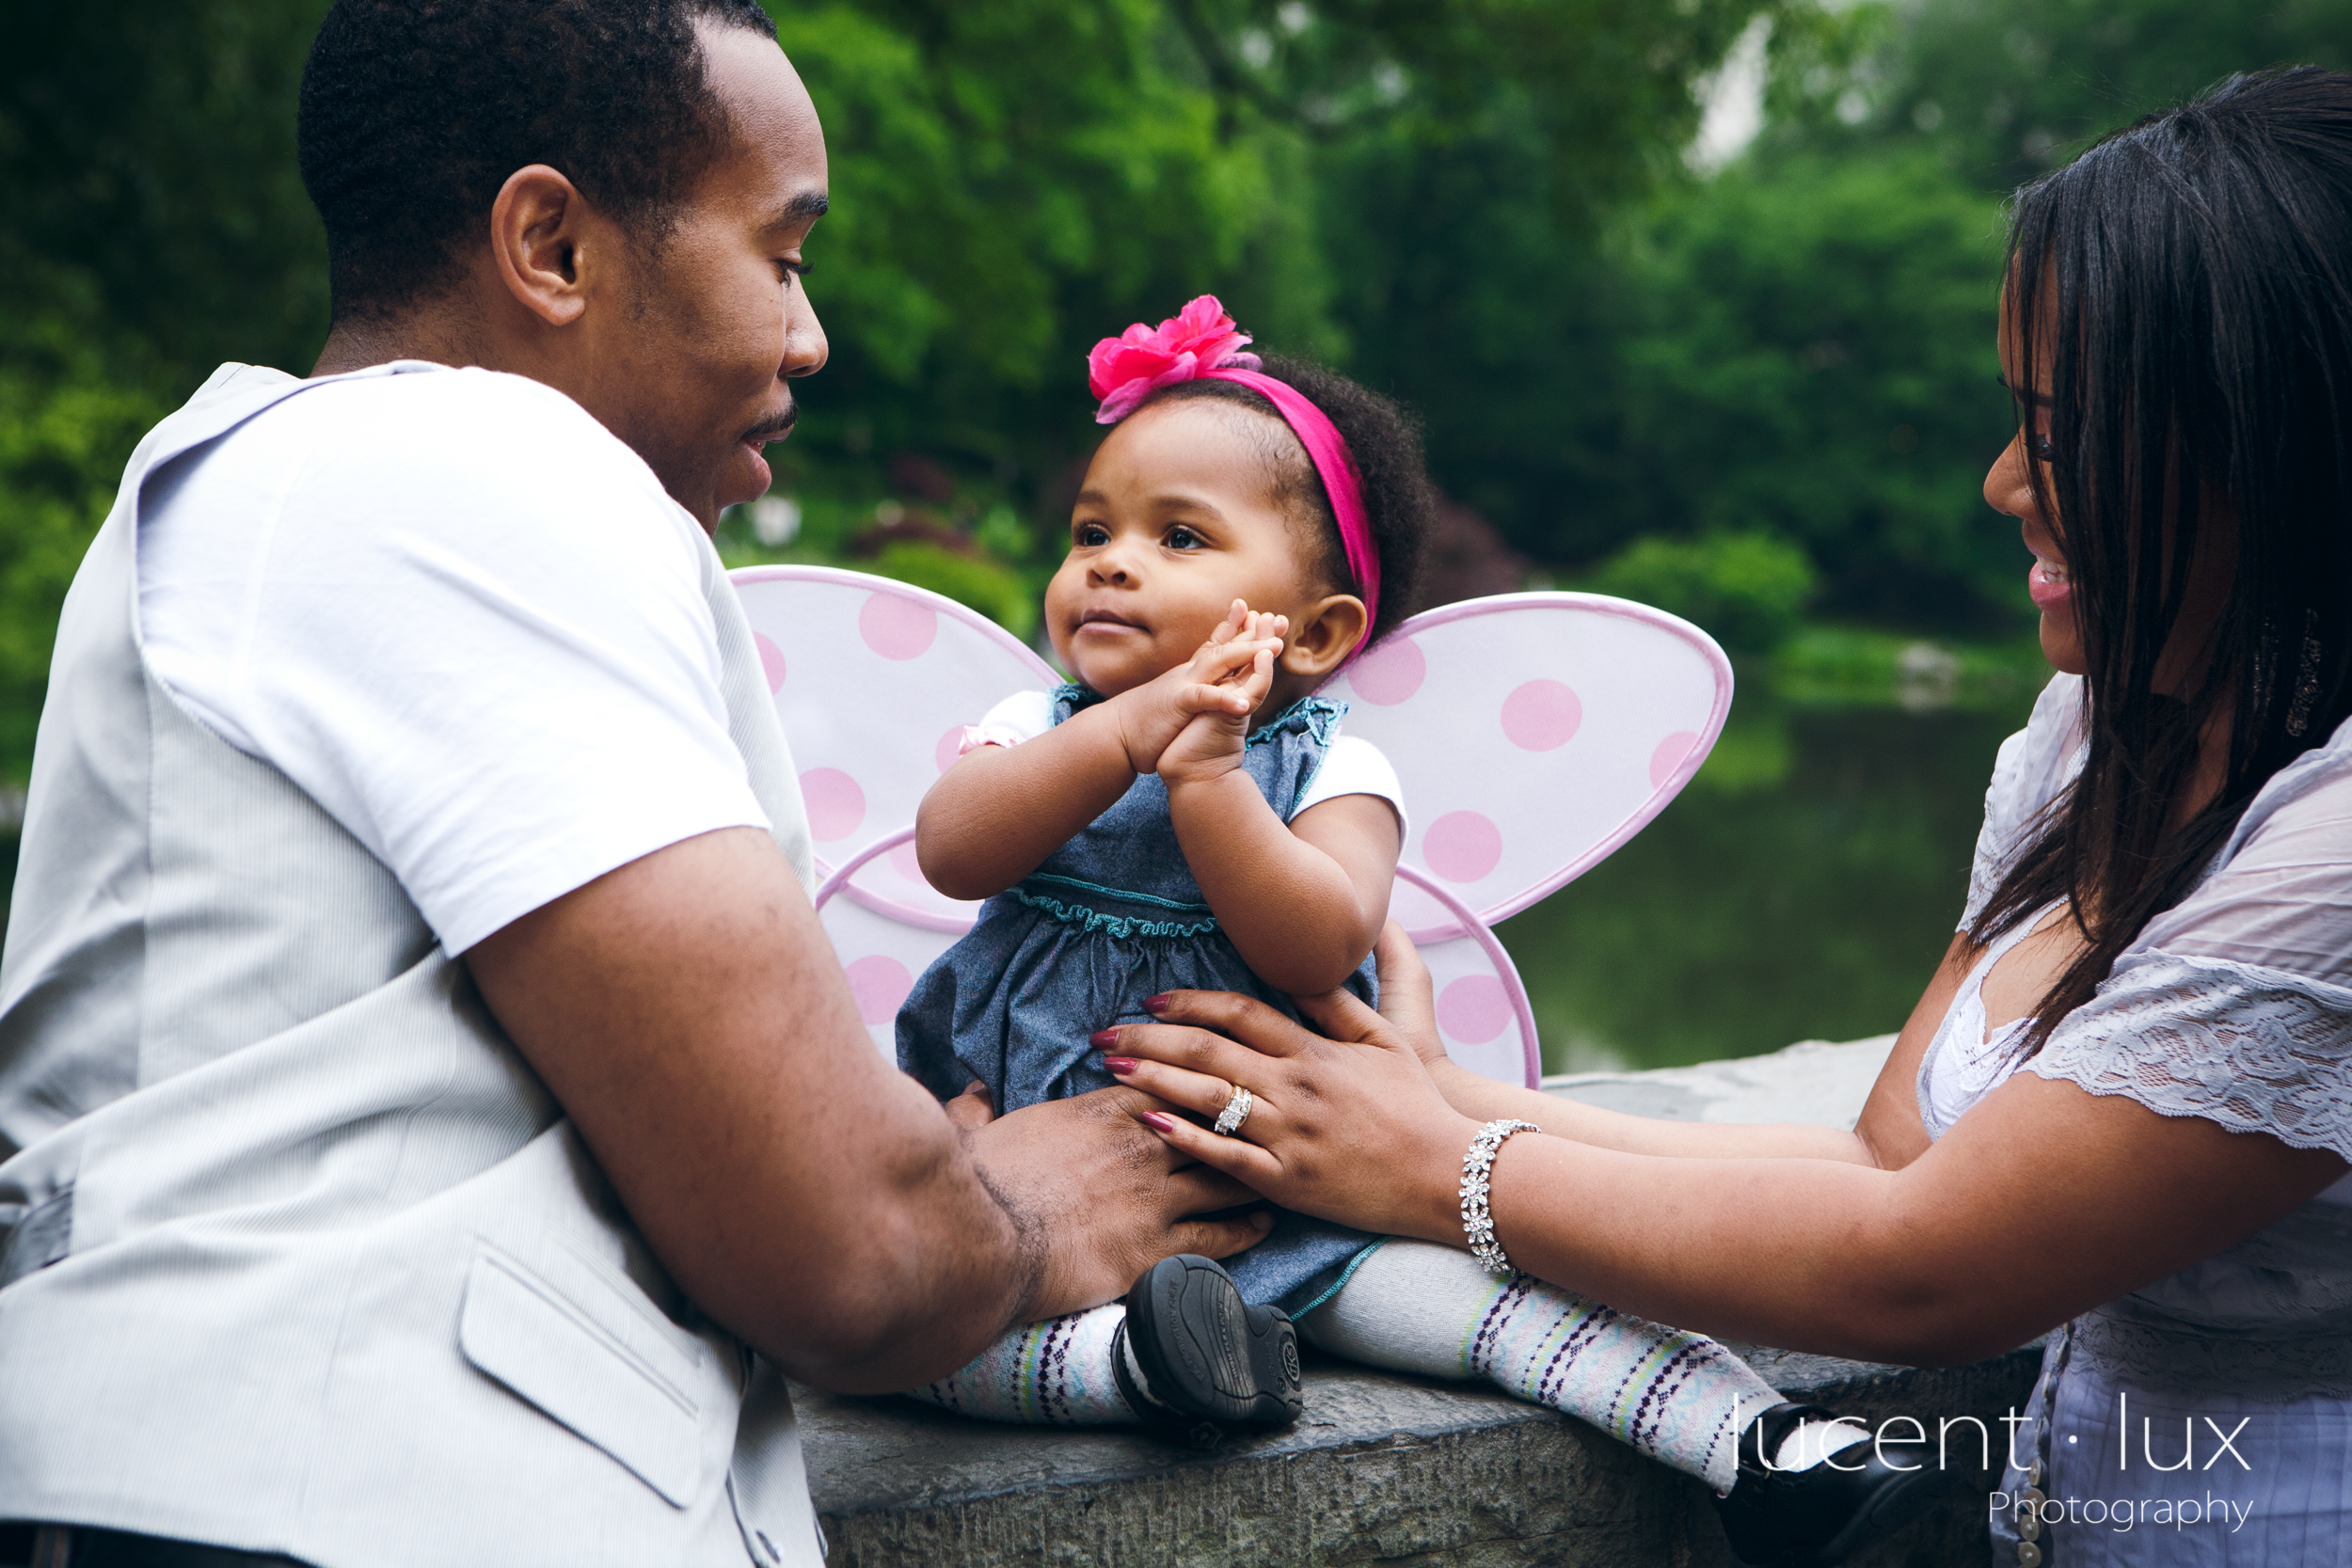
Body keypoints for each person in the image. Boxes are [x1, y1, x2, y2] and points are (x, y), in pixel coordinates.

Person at [0, 5, 1267, 1566]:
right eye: (783, 256)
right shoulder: (459, 472)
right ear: (551, 248)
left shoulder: (305, 487)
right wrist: (1012, 1218)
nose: (808, 335)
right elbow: (846, 1247)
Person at [1103, 66, 2352, 1568]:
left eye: (2066, 435)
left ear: (2283, 454)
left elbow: (1925, 1273)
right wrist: (1447, 1098)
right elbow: (1895, 1162)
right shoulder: (2103, 731)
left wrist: (1430, 1174)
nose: (2004, 482)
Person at [888, 297, 1939, 1565]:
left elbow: (1318, 948)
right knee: (905, 1334)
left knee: (1496, 1311)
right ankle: (1142, 1366)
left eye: (1178, 538)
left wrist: (1210, 778)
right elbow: (953, 849)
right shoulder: (1035, 721)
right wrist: (1118, 735)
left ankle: (1773, 1458)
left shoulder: (1332, 768)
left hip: (1287, 1200)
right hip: (1032, 1195)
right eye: (1091, 532)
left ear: (1318, 632)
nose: (1110, 564)